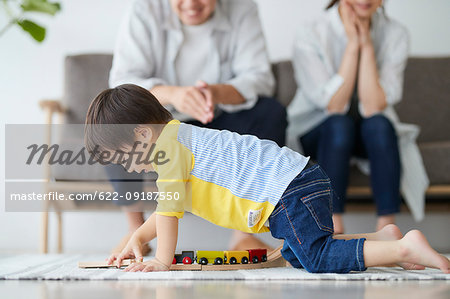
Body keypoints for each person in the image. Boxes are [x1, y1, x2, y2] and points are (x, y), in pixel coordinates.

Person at [84, 84, 449, 273]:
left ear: (143, 135)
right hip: (296, 183)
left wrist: (162, 261)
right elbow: (166, 210)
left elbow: (169, 214)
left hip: (289, 190)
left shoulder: (169, 151)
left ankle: (405, 250)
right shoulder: (179, 137)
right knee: (295, 251)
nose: (128, 168)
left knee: (315, 258)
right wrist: (137, 236)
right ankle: (381, 239)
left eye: (123, 157)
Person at [107, 0, 286, 254]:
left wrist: (215, 92)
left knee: (271, 112)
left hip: (217, 119)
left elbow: (260, 78)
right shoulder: (143, 9)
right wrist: (173, 94)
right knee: (113, 121)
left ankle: (243, 235)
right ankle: (136, 231)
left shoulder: (243, 7)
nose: (191, 4)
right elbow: (122, 82)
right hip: (160, 118)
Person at [286, 0, 429, 233]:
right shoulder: (310, 31)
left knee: (380, 125)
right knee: (339, 124)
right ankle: (333, 225)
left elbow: (373, 106)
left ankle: (387, 228)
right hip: (317, 129)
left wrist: (367, 45)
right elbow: (335, 105)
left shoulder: (396, 33)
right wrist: (353, 46)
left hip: (366, 133)